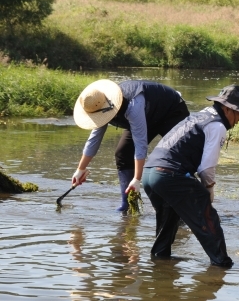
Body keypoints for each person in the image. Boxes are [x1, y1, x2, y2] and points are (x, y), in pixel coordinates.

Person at [141, 84, 239, 267]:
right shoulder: (217, 125)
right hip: (169, 175)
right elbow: (206, 168)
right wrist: (209, 191)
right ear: (227, 109)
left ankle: (160, 265)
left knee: (168, 220)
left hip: (149, 174)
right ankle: (222, 264)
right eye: (238, 112)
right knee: (208, 216)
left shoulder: (201, 115)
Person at [71, 79, 189, 212]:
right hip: (147, 116)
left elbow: (140, 144)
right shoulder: (99, 107)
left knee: (177, 158)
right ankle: (127, 204)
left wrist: (137, 179)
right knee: (123, 153)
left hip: (171, 111)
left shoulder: (132, 105)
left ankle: (190, 204)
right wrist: (80, 169)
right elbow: (94, 139)